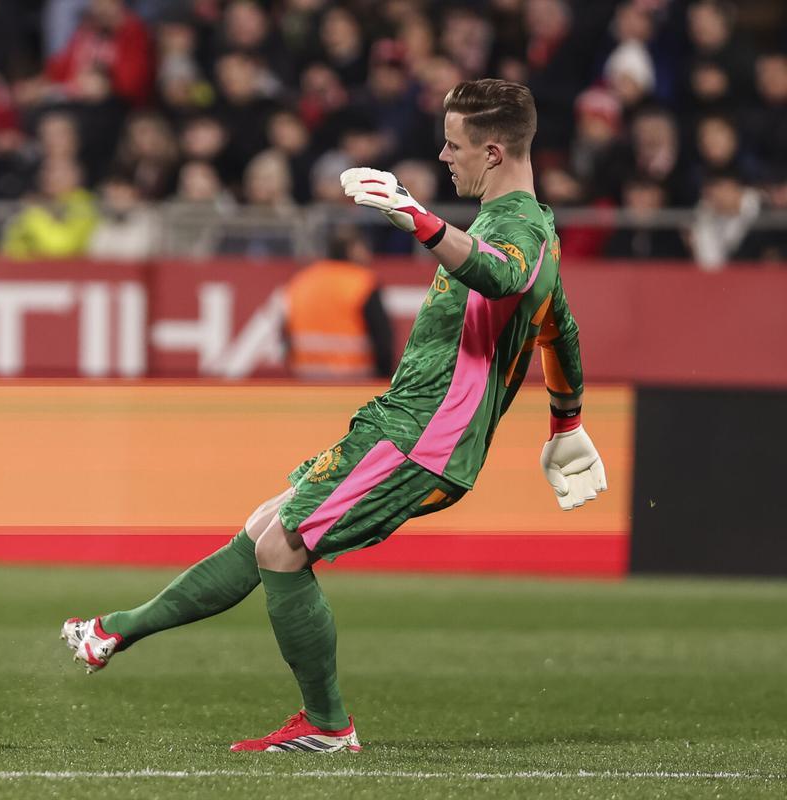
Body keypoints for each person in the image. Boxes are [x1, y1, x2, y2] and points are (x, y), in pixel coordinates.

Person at [62, 78, 607, 753]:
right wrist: (567, 424)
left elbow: (503, 276)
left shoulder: (518, 229)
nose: (443, 156)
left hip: (426, 439)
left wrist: (417, 218)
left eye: (454, 144)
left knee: (282, 548)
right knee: (267, 525)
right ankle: (113, 631)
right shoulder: (531, 225)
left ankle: (327, 727)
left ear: (493, 152)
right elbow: (564, 330)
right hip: (398, 422)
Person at [284, 226, 394, 380]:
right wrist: (384, 379)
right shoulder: (363, 282)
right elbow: (382, 339)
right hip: (354, 379)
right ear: (352, 249)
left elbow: (285, 333)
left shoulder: (301, 280)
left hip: (306, 378)